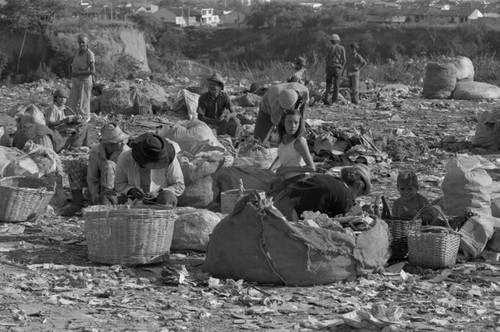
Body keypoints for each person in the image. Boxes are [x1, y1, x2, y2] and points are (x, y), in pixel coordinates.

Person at [60, 123, 130, 216]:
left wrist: (104, 197)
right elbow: (91, 177)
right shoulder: (96, 151)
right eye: (118, 142)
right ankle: (77, 204)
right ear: (108, 144)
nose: (122, 143)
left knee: (108, 165)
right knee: (74, 164)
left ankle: (105, 204)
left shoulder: (126, 152)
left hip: (116, 190)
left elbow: (126, 180)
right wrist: (94, 195)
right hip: (100, 184)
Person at [274, 164, 371, 221]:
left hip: (279, 202)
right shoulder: (345, 194)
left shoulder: (332, 180)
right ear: (358, 186)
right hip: (288, 213)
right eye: (359, 194)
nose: (356, 198)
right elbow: (341, 221)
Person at [114, 132, 185, 208]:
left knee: (168, 197)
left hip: (159, 200)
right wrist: (130, 190)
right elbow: (119, 184)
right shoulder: (125, 157)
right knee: (107, 196)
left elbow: (179, 185)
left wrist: (159, 193)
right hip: (131, 200)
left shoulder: (169, 159)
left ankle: (162, 219)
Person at [269, 108, 315, 189]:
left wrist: (286, 169)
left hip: (299, 180)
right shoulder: (283, 138)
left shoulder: (299, 141)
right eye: (289, 122)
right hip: (287, 180)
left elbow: (311, 168)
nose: (293, 126)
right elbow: (282, 154)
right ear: (283, 123)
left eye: (296, 122)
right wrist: (271, 168)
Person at [197, 73, 241, 138]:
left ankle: (233, 141)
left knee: (235, 121)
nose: (211, 86)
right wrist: (215, 122)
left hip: (220, 123)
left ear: (220, 87)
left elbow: (234, 112)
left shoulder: (224, 96)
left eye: (214, 85)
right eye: (210, 84)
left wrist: (228, 116)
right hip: (208, 124)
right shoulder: (203, 98)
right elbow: (200, 117)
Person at [67, 33, 94, 126]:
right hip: (76, 80)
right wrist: (71, 74)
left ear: (87, 42)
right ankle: (69, 117)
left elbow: (93, 71)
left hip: (85, 81)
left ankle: (84, 121)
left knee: (84, 102)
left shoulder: (89, 54)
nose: (81, 44)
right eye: (79, 42)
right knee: (71, 101)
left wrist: (78, 73)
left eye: (83, 42)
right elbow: (69, 63)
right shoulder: (77, 51)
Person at [324, 33, 346, 106]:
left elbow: (326, 59)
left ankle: (326, 99)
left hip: (330, 67)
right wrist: (341, 68)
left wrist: (326, 67)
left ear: (331, 41)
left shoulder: (329, 48)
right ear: (338, 41)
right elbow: (344, 60)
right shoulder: (342, 48)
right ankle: (334, 101)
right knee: (336, 85)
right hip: (338, 68)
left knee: (328, 85)